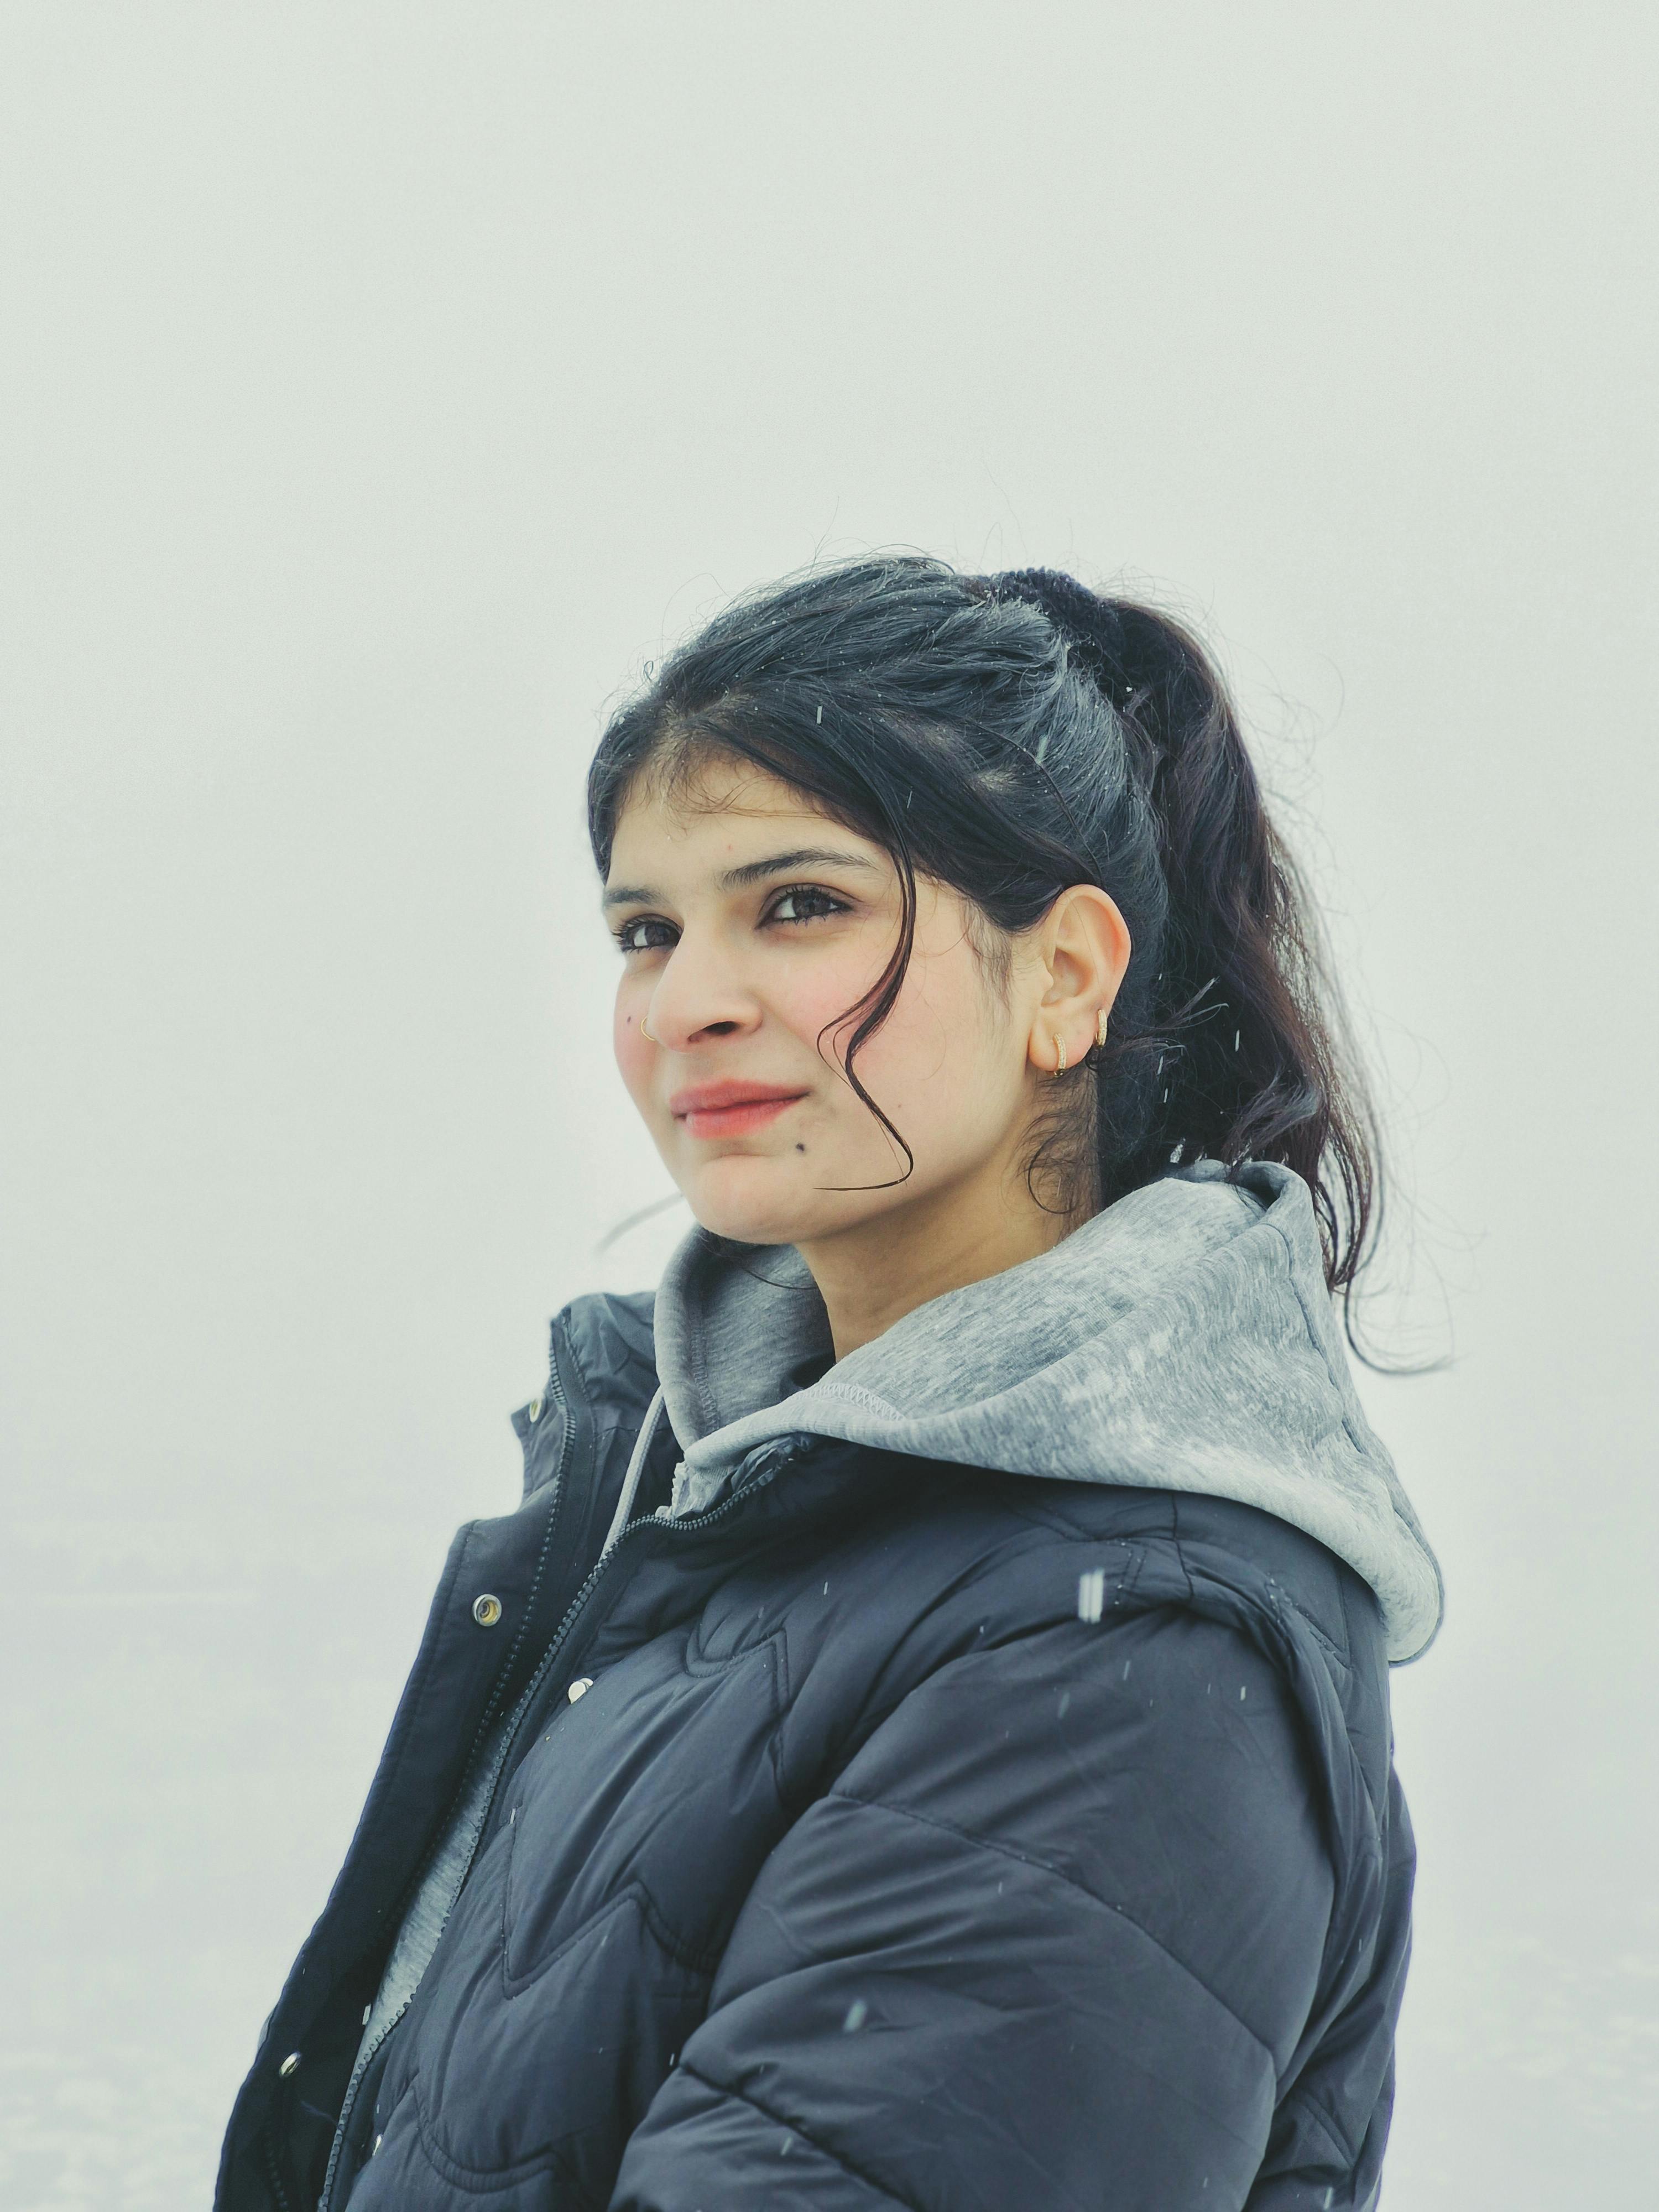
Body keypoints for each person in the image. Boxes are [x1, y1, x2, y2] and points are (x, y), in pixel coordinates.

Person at [215, 556, 1441, 2211]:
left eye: (800, 905)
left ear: (1068, 975)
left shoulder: (1125, 1642)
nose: (688, 1004)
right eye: (646, 932)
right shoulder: (720, 1506)